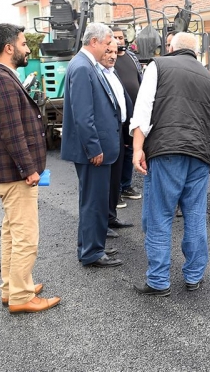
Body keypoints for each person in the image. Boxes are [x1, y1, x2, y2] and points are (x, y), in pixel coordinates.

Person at [0, 24, 61, 314]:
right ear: (9, 48)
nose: (28, 49)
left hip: (8, 172)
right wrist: (29, 169)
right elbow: (12, 132)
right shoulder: (1, 80)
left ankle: (12, 287)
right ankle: (22, 296)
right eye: (24, 44)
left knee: (12, 234)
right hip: (14, 174)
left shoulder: (0, 77)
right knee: (26, 236)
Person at [129, 32, 210, 296]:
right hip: (201, 153)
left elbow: (143, 109)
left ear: (171, 47)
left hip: (168, 149)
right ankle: (193, 276)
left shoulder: (159, 65)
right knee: (195, 215)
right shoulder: (208, 77)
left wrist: (137, 149)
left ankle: (158, 281)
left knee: (159, 216)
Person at [60, 23, 123, 268]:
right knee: (93, 202)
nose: (110, 48)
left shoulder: (87, 65)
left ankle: (94, 246)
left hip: (97, 149)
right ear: (94, 42)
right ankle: (91, 253)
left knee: (95, 201)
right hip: (93, 152)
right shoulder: (82, 67)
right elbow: (83, 116)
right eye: (107, 43)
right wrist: (94, 147)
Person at [99, 35, 134, 231]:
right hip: (107, 134)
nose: (113, 56)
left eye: (114, 52)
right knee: (105, 182)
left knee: (115, 180)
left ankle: (111, 217)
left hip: (120, 132)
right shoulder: (98, 74)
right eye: (108, 51)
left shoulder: (113, 72)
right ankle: (102, 223)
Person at [112, 27, 143, 202]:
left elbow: (140, 79)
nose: (118, 40)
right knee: (120, 151)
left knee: (131, 149)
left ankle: (126, 185)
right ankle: (115, 191)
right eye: (114, 37)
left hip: (135, 112)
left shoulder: (132, 57)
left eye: (121, 37)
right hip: (119, 114)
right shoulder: (109, 59)